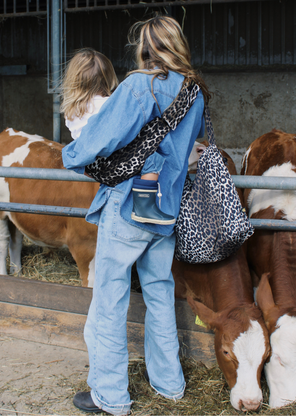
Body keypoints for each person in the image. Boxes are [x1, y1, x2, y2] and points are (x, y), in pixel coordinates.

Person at [62, 15, 209, 416]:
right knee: (160, 292)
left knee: (110, 298)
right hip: (165, 210)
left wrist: (70, 156)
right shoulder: (194, 93)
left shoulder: (137, 86)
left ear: (144, 46)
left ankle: (110, 396)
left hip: (129, 206)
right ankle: (170, 385)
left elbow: (97, 140)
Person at [61, 47, 175, 225]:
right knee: (153, 159)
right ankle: (145, 206)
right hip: (113, 161)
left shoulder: (71, 112)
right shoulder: (108, 104)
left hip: (91, 166)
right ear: (108, 78)